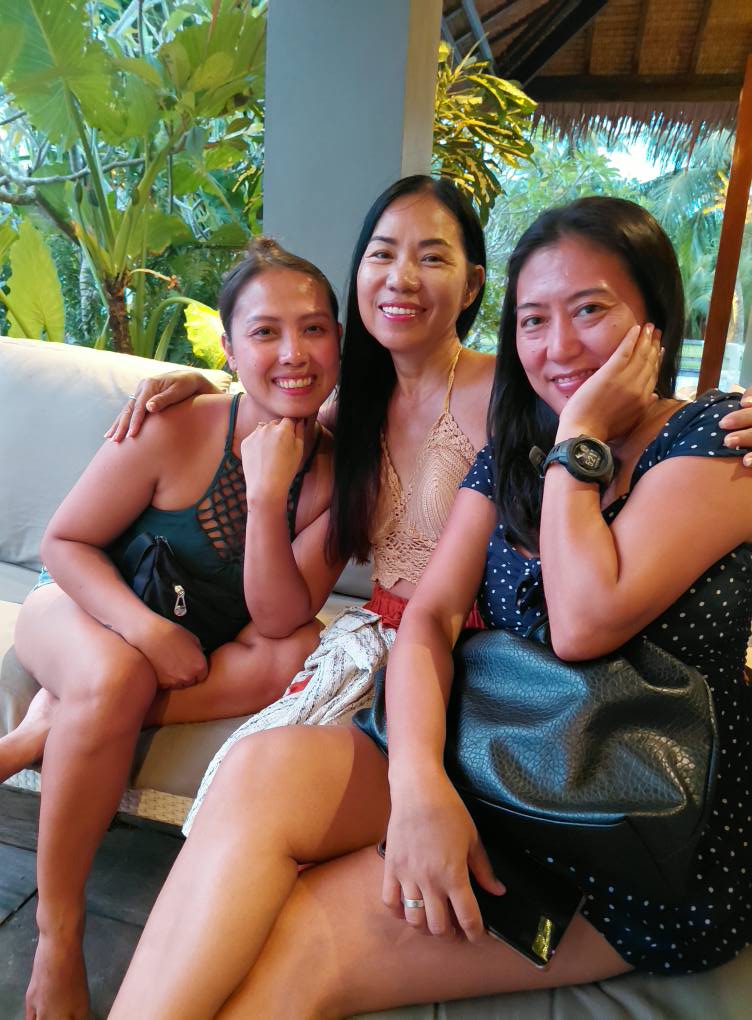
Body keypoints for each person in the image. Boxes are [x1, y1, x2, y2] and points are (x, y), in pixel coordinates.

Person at [110, 194, 752, 1019]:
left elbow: (584, 620)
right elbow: (431, 618)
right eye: (534, 320)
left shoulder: (715, 442)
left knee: (295, 953)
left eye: (590, 310)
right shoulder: (513, 448)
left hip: (633, 838)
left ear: (656, 319)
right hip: (491, 754)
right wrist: (417, 789)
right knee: (258, 770)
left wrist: (579, 442)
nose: (558, 346)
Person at [2, 238, 343, 1020]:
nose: (294, 353)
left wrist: (268, 495)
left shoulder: (338, 477)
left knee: (299, 649)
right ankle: (58, 937)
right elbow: (65, 543)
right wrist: (144, 632)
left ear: (337, 341)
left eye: (314, 329)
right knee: (116, 672)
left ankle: (50, 727)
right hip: (79, 608)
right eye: (265, 332)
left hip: (199, 645)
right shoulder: (175, 423)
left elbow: (279, 617)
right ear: (229, 348)